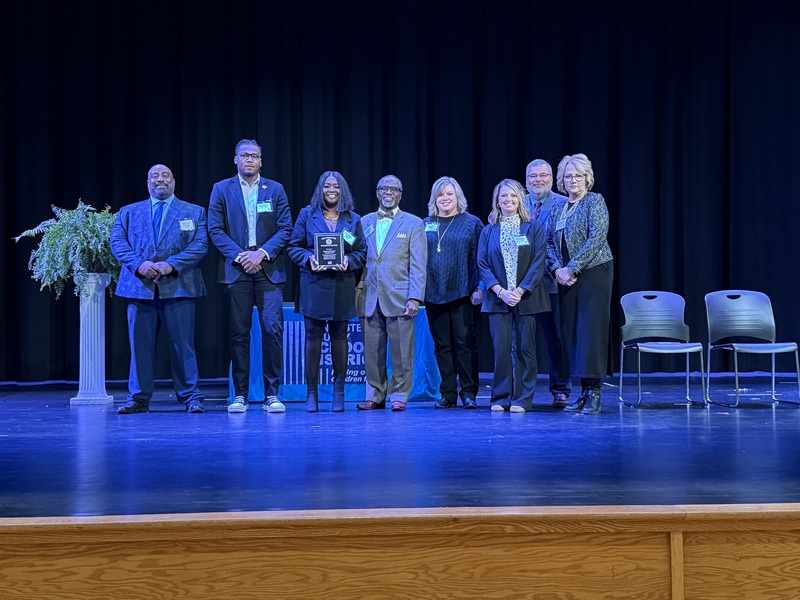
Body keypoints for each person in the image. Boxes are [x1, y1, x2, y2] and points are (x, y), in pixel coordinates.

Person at [110, 164, 208, 414]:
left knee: (182, 345)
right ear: (148, 183)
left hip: (179, 287)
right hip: (139, 288)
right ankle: (138, 398)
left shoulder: (194, 212)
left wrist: (171, 265)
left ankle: (190, 396)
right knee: (139, 347)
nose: (160, 180)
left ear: (174, 182)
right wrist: (139, 264)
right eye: (154, 176)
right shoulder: (129, 212)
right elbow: (117, 243)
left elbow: (200, 245)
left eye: (165, 176)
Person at [208, 139, 293, 414]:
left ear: (261, 161)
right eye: (244, 155)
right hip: (237, 270)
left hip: (268, 269)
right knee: (239, 334)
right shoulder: (221, 189)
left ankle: (272, 394)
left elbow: (285, 228)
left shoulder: (275, 189)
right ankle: (241, 395)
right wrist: (242, 256)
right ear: (235, 159)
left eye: (254, 156)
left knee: (272, 331)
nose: (249, 160)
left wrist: (262, 253)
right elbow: (215, 229)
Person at [287, 171, 366, 413]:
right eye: (327, 186)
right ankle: (311, 393)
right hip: (313, 284)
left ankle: (338, 392)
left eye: (336, 186)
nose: (331, 190)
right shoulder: (306, 215)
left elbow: (361, 252)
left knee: (340, 338)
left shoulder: (353, 219)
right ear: (320, 189)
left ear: (343, 190)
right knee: (313, 338)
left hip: (342, 284)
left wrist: (349, 261)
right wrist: (309, 258)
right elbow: (293, 246)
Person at [546, 153, 614, 415]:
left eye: (578, 175)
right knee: (572, 334)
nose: (573, 180)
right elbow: (550, 244)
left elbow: (597, 236)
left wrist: (572, 267)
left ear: (587, 178)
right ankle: (583, 391)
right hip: (566, 276)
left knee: (591, 331)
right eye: (568, 176)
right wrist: (557, 270)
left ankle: (594, 391)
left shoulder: (594, 201)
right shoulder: (558, 208)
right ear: (561, 181)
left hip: (594, 272)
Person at [355, 174, 427, 412]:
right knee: (372, 352)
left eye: (394, 189)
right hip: (369, 297)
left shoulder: (414, 223)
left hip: (400, 296)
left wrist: (415, 297)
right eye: (384, 188)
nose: (389, 193)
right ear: (377, 193)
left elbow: (418, 264)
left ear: (400, 194)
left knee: (402, 352)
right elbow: (357, 256)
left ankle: (399, 394)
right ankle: (375, 394)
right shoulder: (363, 221)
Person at [477, 179, 549, 413]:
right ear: (497, 201)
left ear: (520, 199)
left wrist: (520, 290)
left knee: (525, 349)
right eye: (503, 196)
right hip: (497, 298)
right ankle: (500, 397)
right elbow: (482, 264)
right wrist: (499, 290)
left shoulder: (533, 227)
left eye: (513, 196)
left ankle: (523, 398)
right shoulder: (488, 231)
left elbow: (539, 262)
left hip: (526, 298)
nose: (508, 200)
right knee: (501, 350)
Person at [423, 176, 483, 409]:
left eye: (450, 194)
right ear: (434, 199)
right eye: (440, 195)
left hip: (463, 292)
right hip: (433, 292)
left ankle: (469, 392)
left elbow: (480, 258)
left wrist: (479, 287)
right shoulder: (425, 223)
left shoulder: (471, 223)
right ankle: (448, 393)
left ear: (458, 197)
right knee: (442, 345)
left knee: (464, 343)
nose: (445, 198)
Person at [524, 159, 571, 408]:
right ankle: (521, 390)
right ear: (526, 180)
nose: (538, 180)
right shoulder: (516, 203)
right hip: (522, 286)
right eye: (533, 176)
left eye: (543, 175)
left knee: (556, 340)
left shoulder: (564, 204)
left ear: (552, 180)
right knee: (522, 340)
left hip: (553, 284)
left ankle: (560, 388)